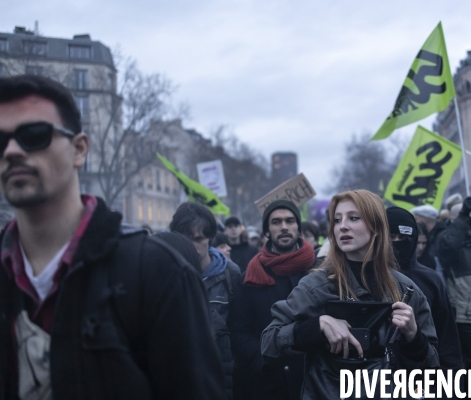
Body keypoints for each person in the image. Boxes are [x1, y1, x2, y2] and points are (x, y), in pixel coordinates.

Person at [0, 75, 225, 399]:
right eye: (0, 139)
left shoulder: (159, 272)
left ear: (80, 150)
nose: (11, 151)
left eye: (33, 135)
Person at [261, 190, 439, 398]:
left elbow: (432, 370)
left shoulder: (405, 289)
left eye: (353, 218)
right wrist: (316, 326)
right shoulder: (315, 286)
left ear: (376, 226)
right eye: (337, 220)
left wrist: (413, 336)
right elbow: (269, 344)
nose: (342, 226)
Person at [229, 199, 315, 400]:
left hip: (313, 380)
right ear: (267, 231)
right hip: (268, 384)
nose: (284, 227)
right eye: (276, 222)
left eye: (290, 221)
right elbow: (239, 332)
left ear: (298, 227)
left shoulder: (318, 271)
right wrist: (263, 361)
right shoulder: (249, 277)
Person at [169, 202, 241, 400]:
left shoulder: (230, 274)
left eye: (198, 238)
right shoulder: (166, 271)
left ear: (210, 238)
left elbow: (239, 329)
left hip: (219, 374)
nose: (193, 246)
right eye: (185, 239)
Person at [386, 206, 463, 373]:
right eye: (391, 237)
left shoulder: (430, 279)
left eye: (405, 237)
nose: (398, 242)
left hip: (425, 370)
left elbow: (447, 335)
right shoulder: (368, 277)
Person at [438, 197, 471, 396]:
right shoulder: (448, 242)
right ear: (454, 221)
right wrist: (462, 220)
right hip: (464, 316)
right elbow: (449, 245)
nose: (470, 221)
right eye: (465, 218)